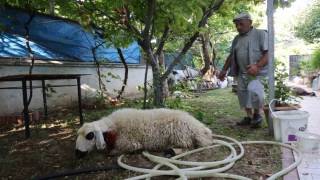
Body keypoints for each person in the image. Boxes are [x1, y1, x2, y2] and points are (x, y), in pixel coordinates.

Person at [218, 12, 268, 125]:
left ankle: (257, 114)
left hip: (258, 72)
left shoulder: (261, 34)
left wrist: (258, 66)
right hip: (242, 72)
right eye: (236, 25)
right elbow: (231, 56)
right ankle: (249, 117)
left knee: (254, 90)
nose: (238, 27)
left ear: (250, 22)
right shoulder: (237, 39)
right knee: (243, 94)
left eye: (241, 24)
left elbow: (269, 52)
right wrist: (224, 70)